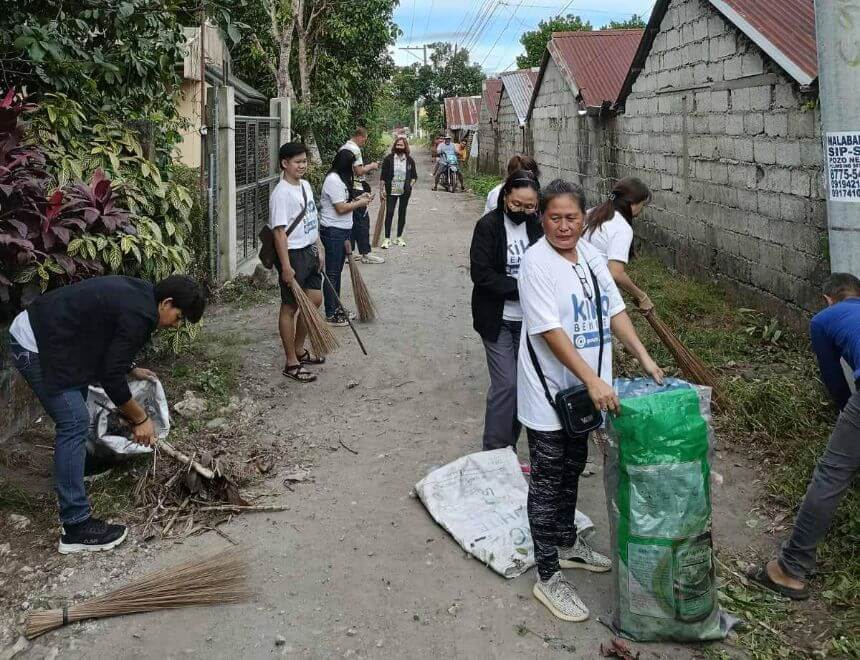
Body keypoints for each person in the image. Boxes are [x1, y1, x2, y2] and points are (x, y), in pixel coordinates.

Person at [517, 179, 664, 622]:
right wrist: (593, 381)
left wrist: (644, 356)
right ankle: (547, 576)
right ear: (542, 218)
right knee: (546, 480)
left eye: (572, 218)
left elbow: (615, 310)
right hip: (549, 392)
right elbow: (549, 331)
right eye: (555, 218)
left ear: (585, 218)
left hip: (587, 393)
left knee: (573, 466)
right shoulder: (535, 263)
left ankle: (566, 543)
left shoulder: (593, 256)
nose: (564, 227)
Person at [7, 274, 206, 553]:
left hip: (56, 338)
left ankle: (81, 467)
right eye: (179, 317)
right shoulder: (142, 314)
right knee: (74, 421)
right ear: (167, 303)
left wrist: (129, 366)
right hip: (35, 344)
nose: (176, 325)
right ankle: (75, 527)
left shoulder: (141, 294)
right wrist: (141, 419)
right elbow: (111, 378)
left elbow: (106, 333)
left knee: (80, 403)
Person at [748, 273, 860, 600]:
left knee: (832, 474)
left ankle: (790, 568)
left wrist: (844, 413)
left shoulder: (824, 319)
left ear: (829, 298)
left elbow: (835, 380)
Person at [470, 171, 543, 454]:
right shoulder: (488, 226)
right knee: (506, 386)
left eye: (529, 207)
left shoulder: (538, 226)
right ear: (504, 198)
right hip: (497, 319)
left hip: (531, 322)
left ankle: (508, 447)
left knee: (523, 387)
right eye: (516, 205)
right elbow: (481, 274)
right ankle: (495, 453)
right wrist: (523, 289)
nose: (522, 212)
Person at [270, 141, 325, 383]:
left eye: (304, 161)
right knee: (290, 308)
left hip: (310, 251)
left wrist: (318, 248)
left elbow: (312, 217)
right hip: (292, 255)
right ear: (285, 163)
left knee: (314, 299)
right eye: (298, 162)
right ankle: (291, 361)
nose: (302, 165)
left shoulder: (305, 185)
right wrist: (285, 267)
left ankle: (300, 348)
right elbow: (279, 232)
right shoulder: (280, 193)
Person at [582, 178, 654, 312]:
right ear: (632, 204)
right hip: (595, 292)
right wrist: (642, 296)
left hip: (578, 280)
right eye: (642, 204)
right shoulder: (621, 228)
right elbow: (616, 273)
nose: (642, 209)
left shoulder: (593, 212)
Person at [320, 149, 373, 326]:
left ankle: (337, 308)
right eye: (351, 164)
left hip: (342, 230)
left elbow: (344, 201)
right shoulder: (333, 180)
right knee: (332, 273)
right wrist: (360, 203)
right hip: (333, 232)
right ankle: (331, 313)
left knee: (336, 272)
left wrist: (360, 197)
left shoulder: (341, 179)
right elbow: (341, 208)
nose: (353, 168)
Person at [341, 127, 384, 265]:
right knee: (363, 221)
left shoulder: (344, 148)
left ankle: (350, 254)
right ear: (359, 136)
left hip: (347, 188)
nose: (364, 142)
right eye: (364, 140)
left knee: (352, 221)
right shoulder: (355, 149)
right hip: (357, 188)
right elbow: (359, 171)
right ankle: (366, 253)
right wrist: (372, 166)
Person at [379, 136, 418, 249]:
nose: (399, 147)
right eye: (397, 145)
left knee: (402, 213)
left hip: (405, 191)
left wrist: (409, 186)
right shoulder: (388, 159)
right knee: (389, 212)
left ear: (405, 147)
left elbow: (414, 177)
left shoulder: (410, 160)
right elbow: (383, 176)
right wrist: (381, 190)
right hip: (392, 190)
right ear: (394, 146)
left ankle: (399, 237)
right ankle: (387, 239)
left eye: (401, 145)